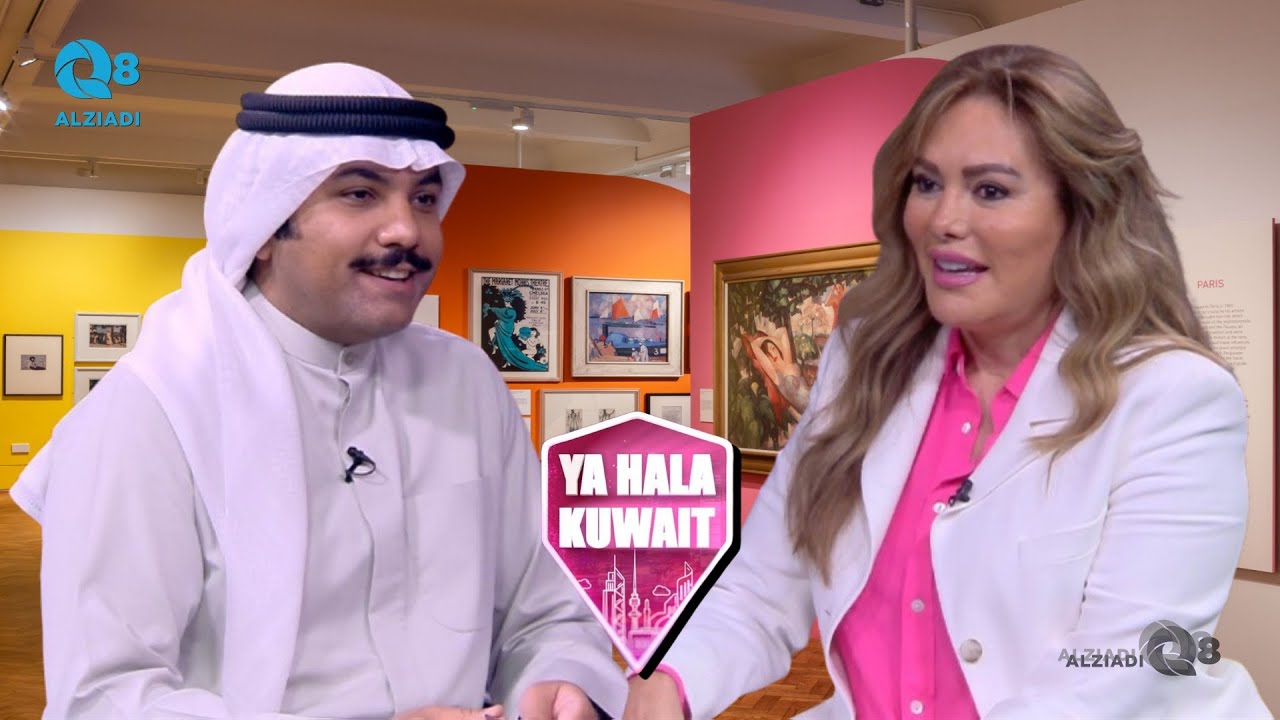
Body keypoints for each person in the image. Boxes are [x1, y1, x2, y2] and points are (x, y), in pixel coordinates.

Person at [623, 44, 1271, 720]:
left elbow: (1119, 676)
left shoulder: (1173, 397)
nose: (943, 221)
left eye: (990, 190)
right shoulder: (864, 358)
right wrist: (672, 681)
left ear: (1081, 211)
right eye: (927, 183)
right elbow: (759, 586)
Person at [11, 62, 628, 720]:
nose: (407, 230)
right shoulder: (152, 407)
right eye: (360, 193)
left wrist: (560, 680)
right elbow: (102, 700)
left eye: (424, 198)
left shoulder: (467, 381)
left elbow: (546, 613)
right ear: (265, 227)